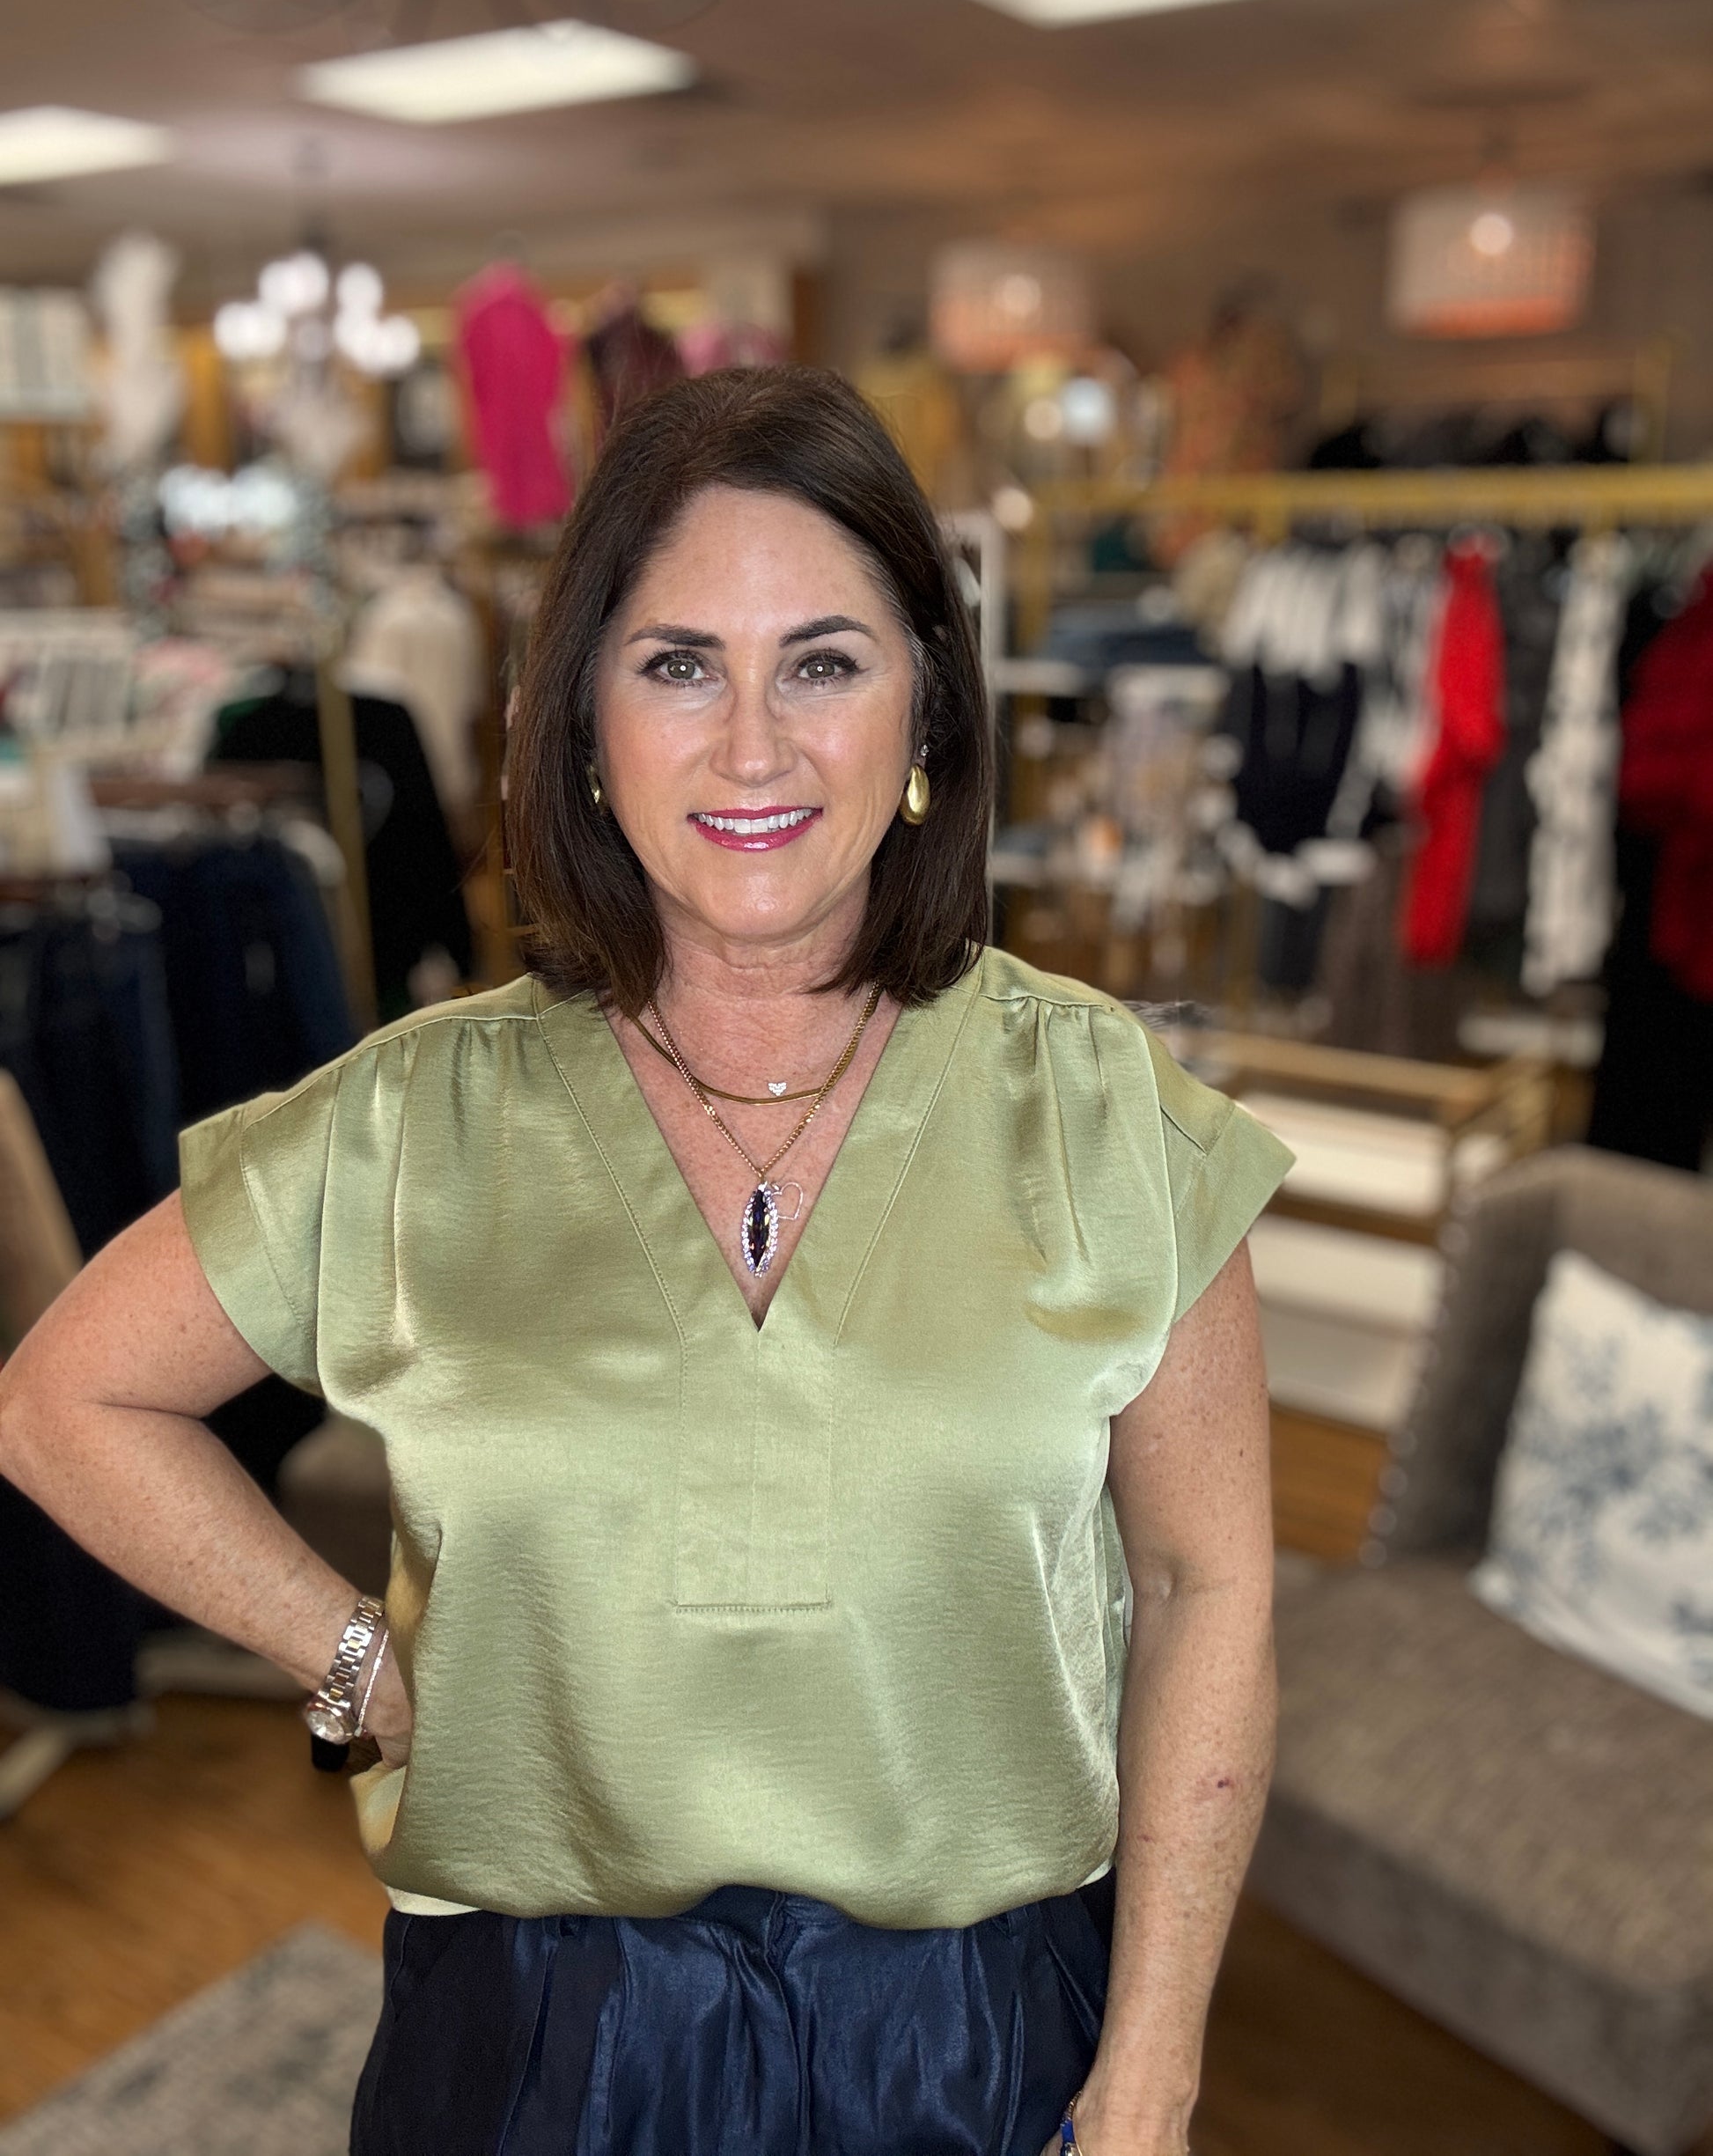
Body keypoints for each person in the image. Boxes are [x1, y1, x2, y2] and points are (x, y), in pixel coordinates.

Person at [0, 366, 1290, 2156]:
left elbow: (1209, 1587)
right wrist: (347, 1652)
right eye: (680, 664)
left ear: (926, 706)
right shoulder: (412, 1121)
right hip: (539, 2042)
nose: (752, 745)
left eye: (822, 663)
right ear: (582, 726)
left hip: (973, 2038)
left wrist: (1152, 2067)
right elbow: (62, 1400)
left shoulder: (1101, 1113)